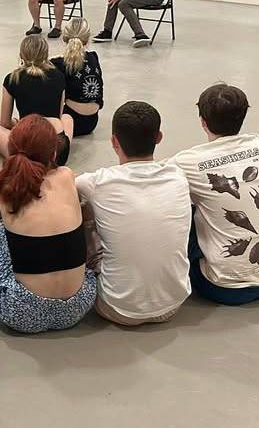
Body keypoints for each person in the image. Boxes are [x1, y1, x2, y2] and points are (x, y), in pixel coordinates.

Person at [0, 115, 95, 333]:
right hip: (78, 307)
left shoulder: (0, 183)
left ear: (11, 149)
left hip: (20, 312)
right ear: (53, 153)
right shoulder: (67, 175)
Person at [170, 83, 259, 305]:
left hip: (220, 287)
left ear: (203, 121)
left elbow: (153, 181)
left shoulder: (188, 161)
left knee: (178, 206)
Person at [76, 101, 191, 325]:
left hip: (117, 308)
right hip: (173, 304)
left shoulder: (96, 182)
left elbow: (62, 188)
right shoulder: (178, 177)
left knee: (83, 209)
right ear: (159, 137)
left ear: (113, 142)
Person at [0, 34, 71, 166]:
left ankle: (26, 158)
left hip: (28, 150)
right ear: (46, 55)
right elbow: (59, 116)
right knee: (67, 119)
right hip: (56, 150)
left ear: (22, 56)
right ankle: (55, 160)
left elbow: (4, 122)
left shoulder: (13, 78)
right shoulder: (59, 76)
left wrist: (16, 123)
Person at [51, 18, 103, 137]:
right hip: (92, 122)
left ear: (64, 38)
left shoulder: (58, 63)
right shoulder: (93, 57)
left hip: (68, 120)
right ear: (87, 39)